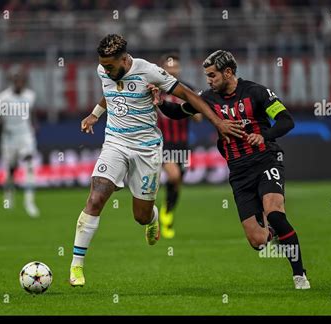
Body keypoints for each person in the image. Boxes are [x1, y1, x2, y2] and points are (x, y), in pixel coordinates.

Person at [69, 35, 244, 287]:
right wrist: (95, 114)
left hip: (147, 150)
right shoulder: (104, 69)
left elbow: (190, 95)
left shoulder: (150, 72)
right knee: (96, 197)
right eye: (103, 66)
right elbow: (110, 92)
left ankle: (152, 219)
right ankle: (76, 266)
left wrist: (217, 122)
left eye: (110, 66)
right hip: (115, 144)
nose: (105, 70)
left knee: (139, 216)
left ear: (125, 59)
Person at [151, 50, 310, 289]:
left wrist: (264, 135)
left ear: (228, 72)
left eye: (213, 75)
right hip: (238, 171)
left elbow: (287, 120)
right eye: (207, 75)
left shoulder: (256, 92)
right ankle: (273, 232)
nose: (209, 80)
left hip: (266, 160)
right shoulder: (207, 98)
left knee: (275, 213)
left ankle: (300, 275)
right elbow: (177, 112)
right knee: (257, 242)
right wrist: (161, 102)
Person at [156, 53, 202, 239]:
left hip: (182, 144)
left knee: (177, 182)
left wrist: (190, 108)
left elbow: (199, 118)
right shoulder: (156, 89)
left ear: (179, 69)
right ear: (163, 69)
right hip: (162, 143)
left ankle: (167, 211)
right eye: (169, 67)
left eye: (175, 67)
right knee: (173, 175)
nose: (172, 70)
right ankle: (162, 214)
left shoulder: (187, 89)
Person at [0, 65, 40, 218]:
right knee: (10, 170)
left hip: (25, 135)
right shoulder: (3, 98)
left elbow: (33, 116)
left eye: (21, 79)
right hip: (9, 137)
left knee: (29, 166)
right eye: (16, 79)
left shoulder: (30, 96)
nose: (19, 82)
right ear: (12, 80)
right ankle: (9, 195)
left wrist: (35, 127)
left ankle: (29, 202)